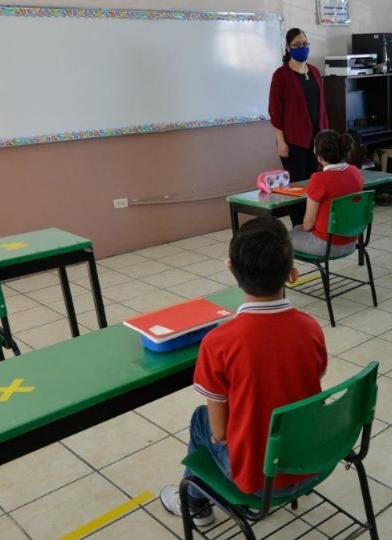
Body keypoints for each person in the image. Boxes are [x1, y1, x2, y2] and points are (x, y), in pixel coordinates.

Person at [159, 217, 327, 527]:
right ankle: (243, 503)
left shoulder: (218, 343)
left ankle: (197, 504)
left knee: (201, 419)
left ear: (231, 270)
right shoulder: (311, 328)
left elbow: (220, 433)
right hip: (312, 462)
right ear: (292, 274)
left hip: (256, 479)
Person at [268, 28, 329, 227]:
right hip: (293, 141)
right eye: (296, 45)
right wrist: (281, 142)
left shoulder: (314, 71)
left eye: (305, 43)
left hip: (316, 139)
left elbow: (321, 106)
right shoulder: (281, 75)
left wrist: (325, 137)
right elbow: (275, 112)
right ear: (288, 48)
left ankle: (312, 224)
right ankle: (298, 226)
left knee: (315, 184)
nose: (302, 48)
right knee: (297, 186)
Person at [289, 129, 363, 257]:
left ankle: (285, 274)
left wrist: (306, 230)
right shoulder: (355, 172)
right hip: (351, 241)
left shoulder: (319, 179)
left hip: (327, 245)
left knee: (280, 238)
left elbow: (309, 222)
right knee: (296, 229)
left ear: (318, 155)